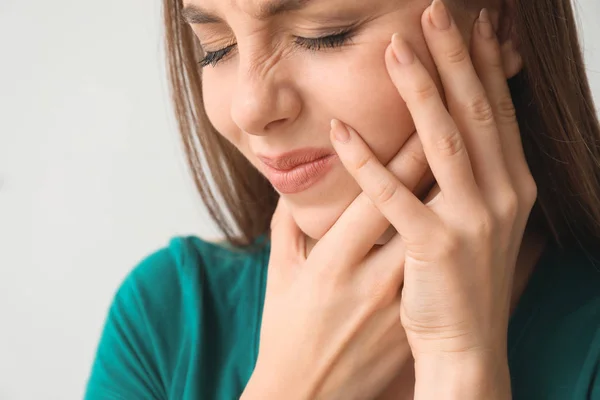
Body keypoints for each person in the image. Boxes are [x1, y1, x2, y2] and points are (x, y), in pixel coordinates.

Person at [85, 0, 600, 398]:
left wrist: (459, 366)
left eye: (324, 34)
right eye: (215, 47)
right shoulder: (167, 318)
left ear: (503, 20)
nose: (250, 108)